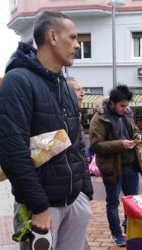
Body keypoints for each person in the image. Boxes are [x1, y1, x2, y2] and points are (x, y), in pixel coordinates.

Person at [0, 11, 93, 250]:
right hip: (41, 208)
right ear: (52, 36)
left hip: (74, 200)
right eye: (72, 37)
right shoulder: (17, 82)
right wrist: (38, 206)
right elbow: (12, 152)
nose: (78, 45)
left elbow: (77, 141)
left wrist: (85, 191)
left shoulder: (66, 87)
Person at [89, 84, 142, 247]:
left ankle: (129, 228)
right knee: (113, 203)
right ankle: (116, 234)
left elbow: (133, 129)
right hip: (112, 168)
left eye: (127, 105)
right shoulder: (99, 118)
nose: (125, 109)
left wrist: (137, 135)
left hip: (131, 165)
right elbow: (96, 146)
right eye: (122, 105)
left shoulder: (127, 113)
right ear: (112, 103)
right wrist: (121, 144)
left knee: (133, 202)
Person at [66, 76, 92, 250]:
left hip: (77, 190)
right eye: (77, 90)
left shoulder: (76, 116)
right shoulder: (63, 116)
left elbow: (81, 152)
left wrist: (86, 190)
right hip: (62, 193)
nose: (82, 93)